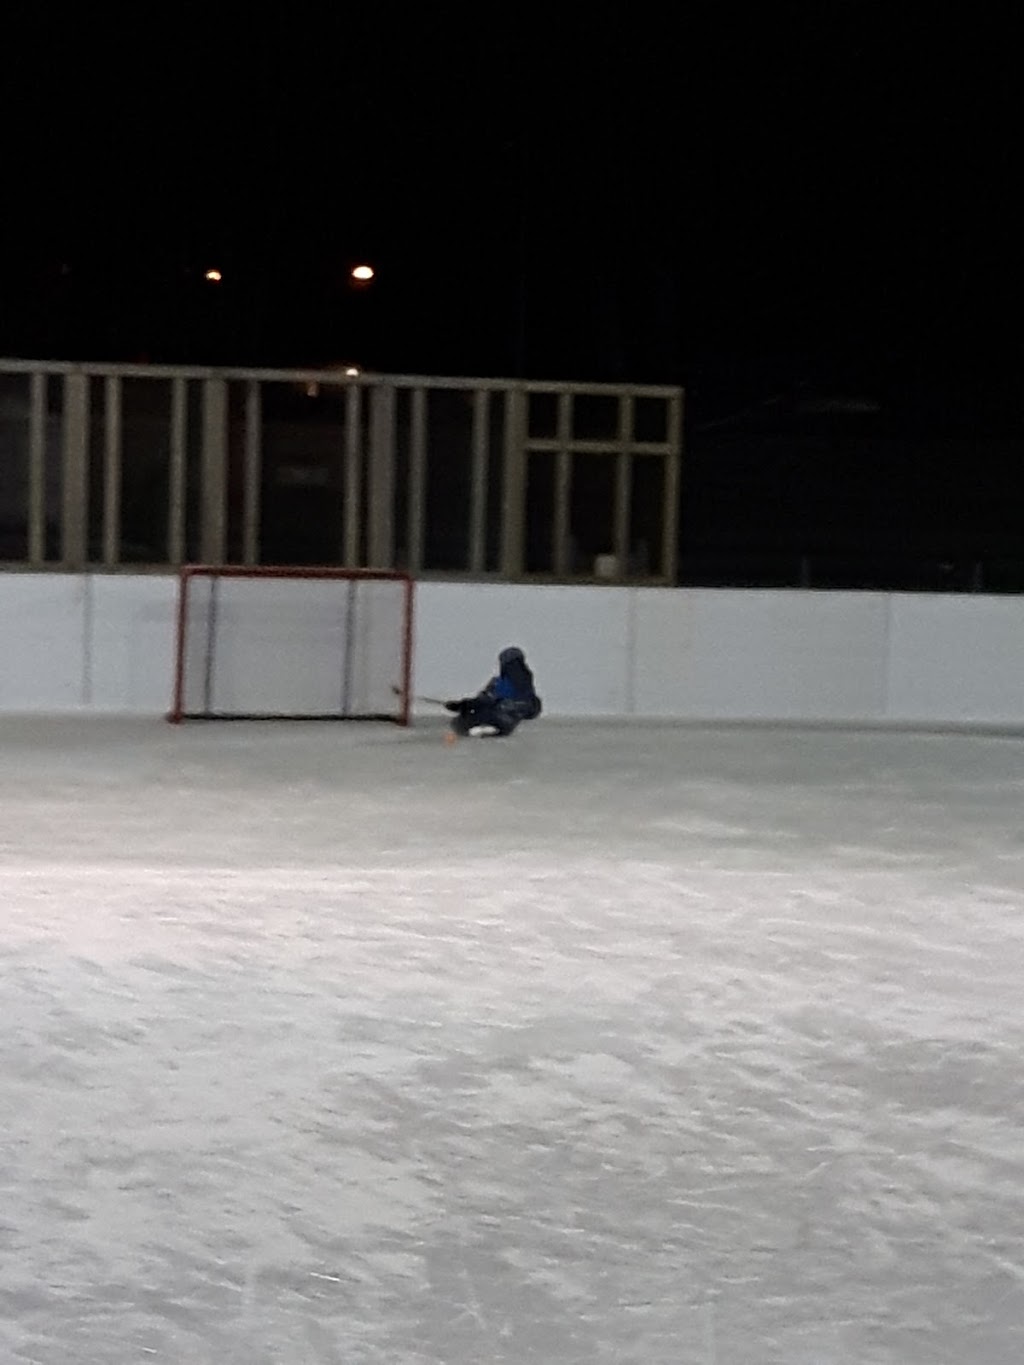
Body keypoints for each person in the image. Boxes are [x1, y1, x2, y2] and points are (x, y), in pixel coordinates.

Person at [445, 647, 542, 737]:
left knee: (459, 722)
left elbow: (485, 700)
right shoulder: (527, 688)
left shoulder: (502, 683)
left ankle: (477, 731)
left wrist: (462, 705)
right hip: (507, 727)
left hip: (493, 719)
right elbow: (532, 710)